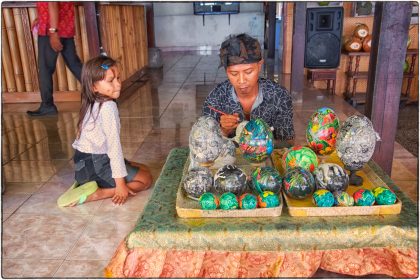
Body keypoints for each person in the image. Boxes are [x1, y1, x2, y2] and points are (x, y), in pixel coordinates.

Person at [58, 56, 152, 207]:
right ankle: (101, 192)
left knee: (144, 168)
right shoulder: (108, 107)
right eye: (110, 80)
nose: (118, 84)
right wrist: (121, 186)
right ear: (94, 86)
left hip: (83, 165)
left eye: (118, 78)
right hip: (96, 165)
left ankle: (88, 182)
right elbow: (114, 148)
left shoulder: (91, 101)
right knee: (145, 179)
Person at [202, 33, 295, 147]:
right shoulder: (215, 99)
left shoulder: (279, 96)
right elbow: (205, 147)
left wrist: (261, 141)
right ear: (226, 71)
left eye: (248, 72)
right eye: (234, 73)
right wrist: (224, 131)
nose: (241, 80)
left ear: (260, 65)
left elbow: (287, 143)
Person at [27, 2, 83, 117]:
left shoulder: (52, 31)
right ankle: (101, 92)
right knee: (75, 64)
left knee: (45, 69)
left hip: (51, 30)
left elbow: (52, 3)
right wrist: (41, 17)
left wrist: (53, 32)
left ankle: (47, 106)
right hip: (64, 27)